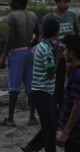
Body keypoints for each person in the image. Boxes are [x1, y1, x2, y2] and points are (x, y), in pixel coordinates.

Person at [0, 0, 39, 128]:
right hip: (29, 53)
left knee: (14, 88)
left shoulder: (12, 16)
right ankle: (32, 117)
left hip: (16, 54)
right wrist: (29, 45)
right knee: (30, 87)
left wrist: (4, 58)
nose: (9, 3)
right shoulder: (33, 15)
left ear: (15, 3)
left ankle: (10, 119)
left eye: (10, 0)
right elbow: (38, 37)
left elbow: (10, 38)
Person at [24, 18, 60, 152]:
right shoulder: (46, 49)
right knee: (50, 126)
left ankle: (32, 147)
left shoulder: (44, 45)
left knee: (51, 123)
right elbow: (51, 72)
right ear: (56, 32)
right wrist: (58, 55)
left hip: (44, 90)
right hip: (43, 91)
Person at [41, 0, 80, 107]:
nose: (67, 5)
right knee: (56, 82)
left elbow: (78, 33)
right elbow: (43, 38)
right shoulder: (48, 18)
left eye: (68, 2)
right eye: (64, 2)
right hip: (54, 56)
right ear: (57, 2)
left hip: (70, 55)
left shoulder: (72, 16)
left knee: (70, 82)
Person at [56, 34, 80, 151]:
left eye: (66, 50)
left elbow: (77, 106)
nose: (64, 53)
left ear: (72, 53)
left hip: (75, 132)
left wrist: (66, 132)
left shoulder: (77, 75)